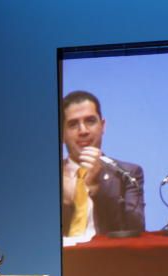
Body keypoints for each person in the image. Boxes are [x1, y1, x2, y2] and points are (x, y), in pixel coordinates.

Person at [60, 90, 144, 244]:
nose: (83, 131)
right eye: (73, 124)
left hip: (108, 260)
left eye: (90, 121)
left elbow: (136, 229)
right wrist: (64, 203)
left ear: (102, 126)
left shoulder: (127, 173)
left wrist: (96, 188)